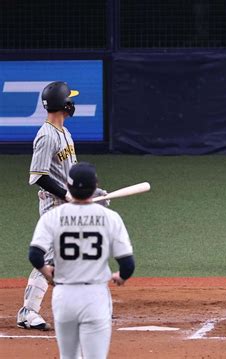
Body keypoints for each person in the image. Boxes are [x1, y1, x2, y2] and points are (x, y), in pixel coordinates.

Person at [17, 82, 108, 330]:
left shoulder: (64, 133)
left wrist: (89, 192)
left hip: (67, 203)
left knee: (72, 255)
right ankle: (28, 312)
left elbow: (67, 173)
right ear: (63, 104)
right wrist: (67, 196)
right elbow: (38, 176)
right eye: (70, 99)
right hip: (54, 206)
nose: (73, 103)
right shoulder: (46, 136)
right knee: (52, 258)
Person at [28, 162, 135, 358]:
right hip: (95, 297)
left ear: (68, 187)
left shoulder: (52, 217)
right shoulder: (110, 217)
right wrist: (121, 277)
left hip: (64, 297)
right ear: (95, 188)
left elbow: (35, 254)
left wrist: (46, 272)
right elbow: (128, 264)